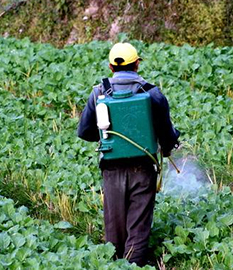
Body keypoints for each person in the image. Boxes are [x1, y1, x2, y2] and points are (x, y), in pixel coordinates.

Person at [77, 42, 180, 267]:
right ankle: (134, 265)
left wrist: (108, 137)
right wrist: (169, 146)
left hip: (111, 170)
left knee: (114, 227)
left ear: (111, 67)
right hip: (143, 169)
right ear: (137, 64)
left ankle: (115, 264)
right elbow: (167, 134)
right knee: (138, 226)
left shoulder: (99, 93)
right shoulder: (152, 93)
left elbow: (84, 132)